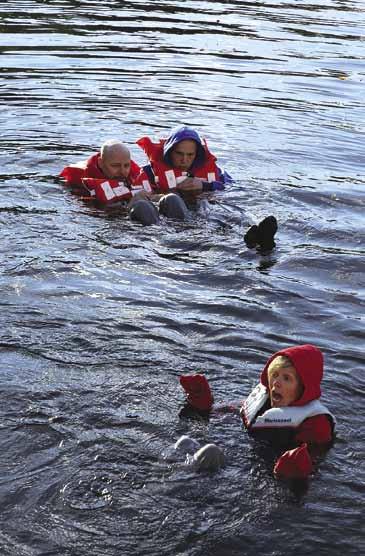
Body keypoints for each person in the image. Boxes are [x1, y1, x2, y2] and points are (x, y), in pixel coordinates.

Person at [179, 344, 336, 480]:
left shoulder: (316, 423)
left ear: (303, 388)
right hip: (239, 456)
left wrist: (294, 472)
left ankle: (180, 480)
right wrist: (204, 405)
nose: (277, 382)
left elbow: (316, 457)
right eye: (274, 375)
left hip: (262, 473)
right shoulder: (265, 400)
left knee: (210, 452)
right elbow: (237, 411)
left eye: (287, 378)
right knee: (185, 442)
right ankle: (175, 471)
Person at [137, 125, 278, 248]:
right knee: (207, 223)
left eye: (190, 155)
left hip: (208, 204)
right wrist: (159, 196)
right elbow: (136, 195)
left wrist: (205, 185)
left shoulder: (212, 170)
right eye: (179, 153)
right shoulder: (150, 172)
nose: (184, 160)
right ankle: (243, 240)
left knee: (230, 215)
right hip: (179, 212)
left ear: (197, 154)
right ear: (169, 150)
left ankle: (253, 234)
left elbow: (230, 186)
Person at [60, 140, 160, 225]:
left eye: (126, 165)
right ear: (100, 163)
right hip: (116, 225)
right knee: (141, 206)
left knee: (171, 199)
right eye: (115, 166)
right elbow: (94, 214)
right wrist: (131, 203)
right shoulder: (83, 185)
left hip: (148, 221)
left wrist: (157, 198)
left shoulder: (134, 176)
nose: (122, 171)